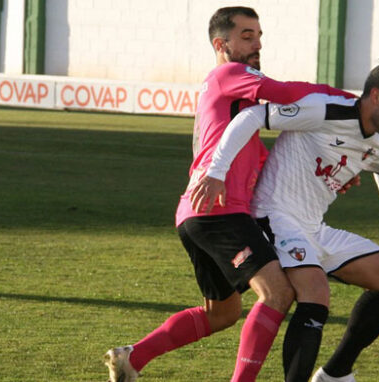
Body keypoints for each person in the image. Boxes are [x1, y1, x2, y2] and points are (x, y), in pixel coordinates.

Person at [104, 6, 355, 382]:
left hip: (198, 213)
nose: (257, 44)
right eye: (247, 36)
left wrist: (329, 171)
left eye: (259, 36)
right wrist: (352, 100)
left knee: (221, 314)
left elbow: (264, 155)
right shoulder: (231, 74)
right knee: (277, 293)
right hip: (219, 212)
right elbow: (286, 94)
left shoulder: (232, 96)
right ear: (222, 44)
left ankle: (133, 358)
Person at [190, 60, 379, 382]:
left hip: (313, 228)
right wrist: (216, 172)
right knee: (316, 291)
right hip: (274, 215)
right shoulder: (325, 110)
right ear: (376, 96)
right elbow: (253, 115)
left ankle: (335, 374)